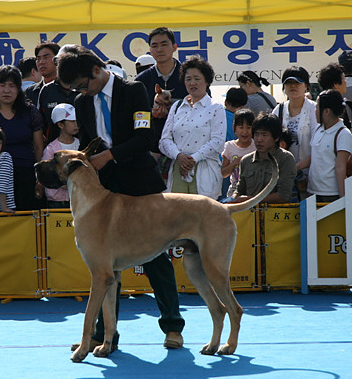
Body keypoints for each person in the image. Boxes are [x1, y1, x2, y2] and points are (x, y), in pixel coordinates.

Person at [56, 44, 185, 351]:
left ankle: (172, 327)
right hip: (105, 189)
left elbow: (144, 139)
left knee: (156, 258)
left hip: (141, 185)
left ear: (97, 71)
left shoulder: (133, 90)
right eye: (75, 89)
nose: (80, 92)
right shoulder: (82, 101)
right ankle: (104, 335)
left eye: (81, 85)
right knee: (104, 267)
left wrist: (110, 156)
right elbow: (87, 144)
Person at [0, 65, 44, 211]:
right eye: (2, 85)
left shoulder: (30, 111)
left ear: (19, 88)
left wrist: (39, 179)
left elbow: (38, 146)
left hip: (25, 173)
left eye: (12, 86)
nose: (6, 90)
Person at [159, 56, 226, 200]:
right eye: (188, 79)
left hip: (204, 169)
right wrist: (179, 156)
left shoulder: (216, 107)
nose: (192, 83)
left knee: (202, 218)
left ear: (207, 81)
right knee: (177, 217)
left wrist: (193, 159)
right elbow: (164, 139)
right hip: (178, 168)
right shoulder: (177, 107)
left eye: (197, 78)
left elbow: (218, 141)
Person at [135, 27, 188, 152]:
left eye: (164, 44)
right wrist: (151, 114)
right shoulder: (142, 80)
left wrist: (174, 107)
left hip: (186, 147)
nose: (159, 49)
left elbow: (204, 105)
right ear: (150, 51)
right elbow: (135, 114)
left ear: (174, 47)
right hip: (152, 148)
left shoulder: (190, 75)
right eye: (155, 46)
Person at [272, 66, 319, 201]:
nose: (293, 86)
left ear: (306, 86)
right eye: (288, 82)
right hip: (283, 175)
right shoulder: (278, 110)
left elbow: (318, 146)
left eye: (297, 82)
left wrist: (297, 168)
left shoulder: (314, 109)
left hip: (311, 174)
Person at [232, 112, 297, 203]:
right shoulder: (246, 160)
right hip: (248, 215)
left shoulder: (285, 158)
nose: (259, 139)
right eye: (256, 134)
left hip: (274, 215)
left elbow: (283, 196)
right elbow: (239, 191)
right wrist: (233, 199)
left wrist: (249, 200)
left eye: (264, 135)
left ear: (276, 138)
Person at [303, 89, 352, 202]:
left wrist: (343, 199)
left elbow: (340, 167)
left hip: (331, 194)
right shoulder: (318, 129)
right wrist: (295, 167)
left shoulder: (343, 134)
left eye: (317, 108)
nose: (315, 111)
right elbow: (314, 156)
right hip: (313, 191)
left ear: (326, 111)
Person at [41, 103, 79, 208]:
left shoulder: (81, 144)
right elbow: (47, 174)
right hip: (57, 202)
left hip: (79, 199)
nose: (76, 124)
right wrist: (61, 182)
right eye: (72, 121)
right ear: (60, 125)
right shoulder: (51, 149)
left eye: (77, 120)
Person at [37, 47, 77, 144]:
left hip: (83, 150)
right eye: (62, 63)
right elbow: (40, 124)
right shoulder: (46, 91)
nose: (66, 68)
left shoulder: (84, 89)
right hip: (55, 152)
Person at [221, 108, 256, 201]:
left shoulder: (256, 146)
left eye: (248, 128)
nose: (245, 131)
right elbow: (223, 173)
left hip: (253, 192)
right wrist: (234, 163)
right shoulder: (229, 146)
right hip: (234, 192)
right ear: (234, 128)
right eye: (241, 127)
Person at [318, 62, 352, 132]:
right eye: (344, 79)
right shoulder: (335, 105)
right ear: (336, 85)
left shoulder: (321, 101)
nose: (346, 82)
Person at [24, 42, 60, 107]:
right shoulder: (31, 92)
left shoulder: (68, 89)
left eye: (46, 57)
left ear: (57, 59)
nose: (41, 62)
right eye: (38, 59)